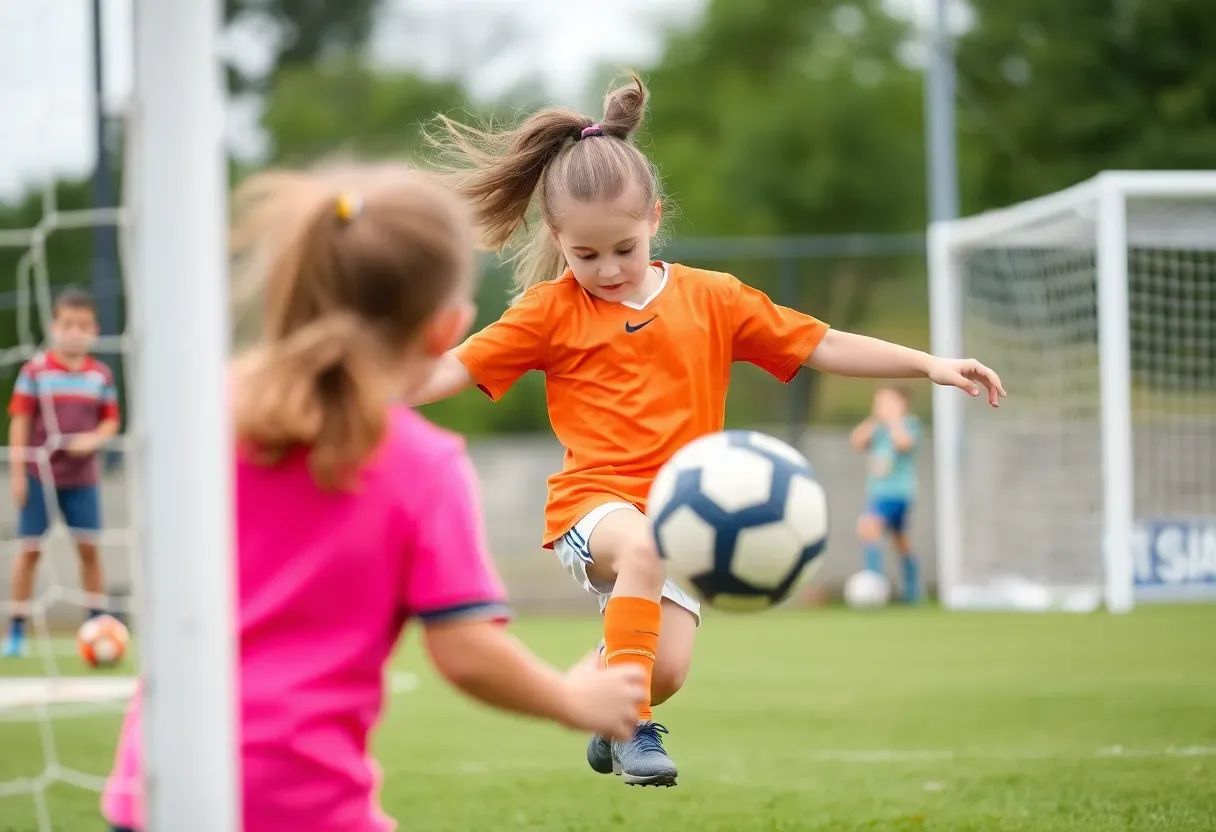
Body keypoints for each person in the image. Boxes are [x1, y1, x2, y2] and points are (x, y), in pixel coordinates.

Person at [415, 75, 1005, 787]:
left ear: (655, 218)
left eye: (623, 249)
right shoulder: (548, 312)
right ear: (559, 241)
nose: (606, 269)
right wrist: (364, 394)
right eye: (586, 255)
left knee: (664, 670)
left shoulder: (714, 298)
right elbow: (453, 368)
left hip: (684, 518)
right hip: (594, 506)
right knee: (638, 544)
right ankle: (631, 726)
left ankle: (603, 706)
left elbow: (821, 344)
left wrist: (932, 364)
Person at [101, 165, 646, 832]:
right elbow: (466, 651)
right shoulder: (423, 466)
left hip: (153, 787)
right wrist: (571, 698)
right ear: (447, 329)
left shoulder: (200, 412)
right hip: (300, 803)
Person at [5, 287, 119, 658]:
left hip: (82, 479)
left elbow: (111, 423)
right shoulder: (35, 371)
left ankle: (98, 623)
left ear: (94, 330)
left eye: (82, 325)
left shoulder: (100, 376)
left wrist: (92, 440)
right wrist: (19, 473)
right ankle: (17, 631)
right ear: (55, 326)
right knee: (29, 551)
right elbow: (20, 422)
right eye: (68, 324)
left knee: (89, 550)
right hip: (40, 477)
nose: (74, 332)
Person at [850, 386, 922, 602]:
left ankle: (873, 588)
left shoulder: (909, 425)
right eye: (878, 403)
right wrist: (875, 420)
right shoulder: (876, 428)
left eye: (887, 403)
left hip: (897, 493)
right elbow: (856, 441)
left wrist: (893, 420)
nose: (882, 407)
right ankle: (913, 594)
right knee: (901, 541)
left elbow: (903, 444)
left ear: (902, 405)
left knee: (867, 528)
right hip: (879, 493)